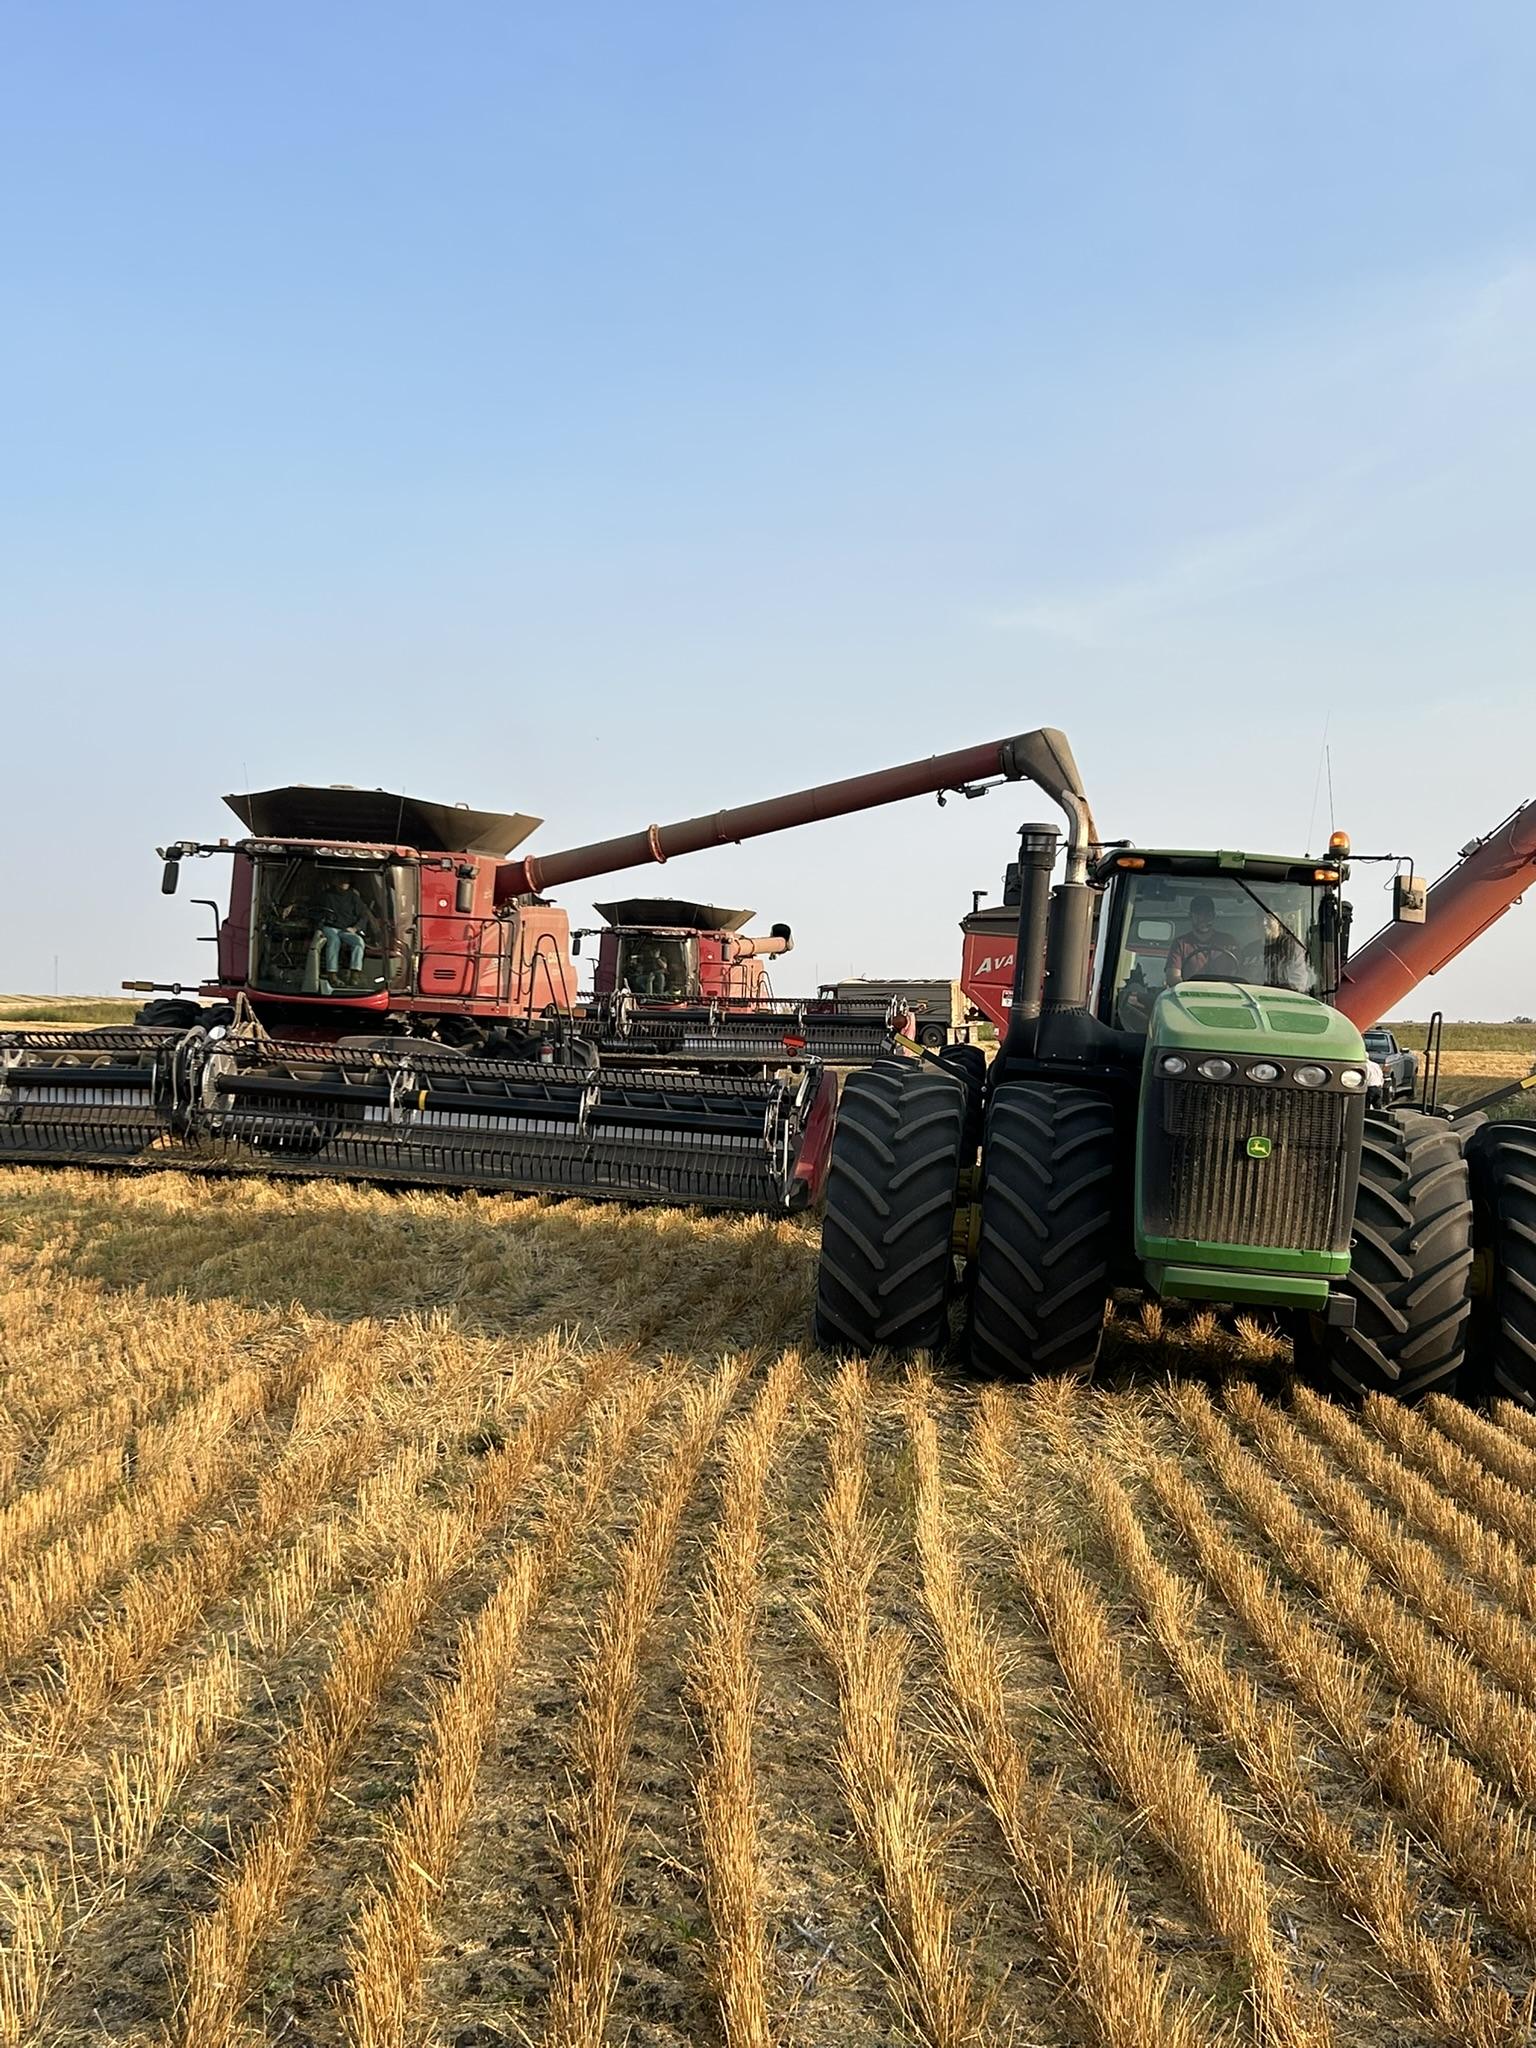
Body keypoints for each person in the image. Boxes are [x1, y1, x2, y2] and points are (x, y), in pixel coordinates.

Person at [1164, 894, 1242, 986]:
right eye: (1198, 915)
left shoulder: (1228, 942)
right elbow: (1173, 977)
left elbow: (1240, 974)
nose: (1203, 919)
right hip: (1190, 997)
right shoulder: (1181, 944)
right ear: (1190, 916)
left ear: (1213, 916)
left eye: (1207, 915)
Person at [315, 877, 372, 985]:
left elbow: (364, 916)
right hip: (329, 927)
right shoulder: (326, 896)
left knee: (358, 942)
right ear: (335, 882)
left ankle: (355, 973)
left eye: (346, 881)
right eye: (341, 881)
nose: (344, 883)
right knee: (334, 941)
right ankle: (332, 974)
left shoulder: (354, 898)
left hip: (346, 929)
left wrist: (355, 928)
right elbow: (312, 906)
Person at [1241, 911, 1313, 993]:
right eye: (1260, 919)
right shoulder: (1249, 950)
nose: (1263, 923)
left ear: (1278, 922)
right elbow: (1241, 978)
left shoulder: (1292, 948)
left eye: (1269, 918)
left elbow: (1298, 983)